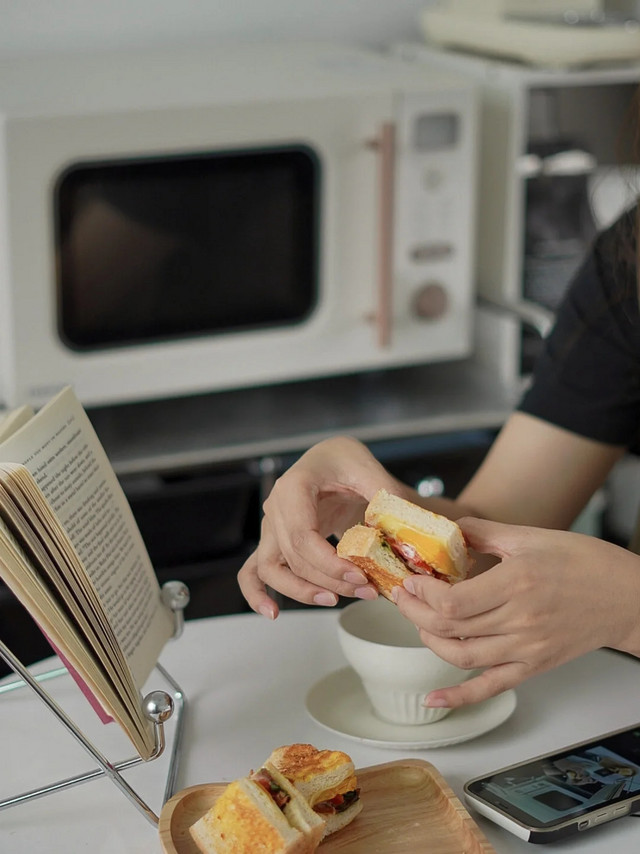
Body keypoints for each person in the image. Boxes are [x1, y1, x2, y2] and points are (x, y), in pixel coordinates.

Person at [237, 201, 640, 714]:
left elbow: (614, 599)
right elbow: (494, 533)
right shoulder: (631, 258)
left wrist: (628, 605)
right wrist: (381, 511)